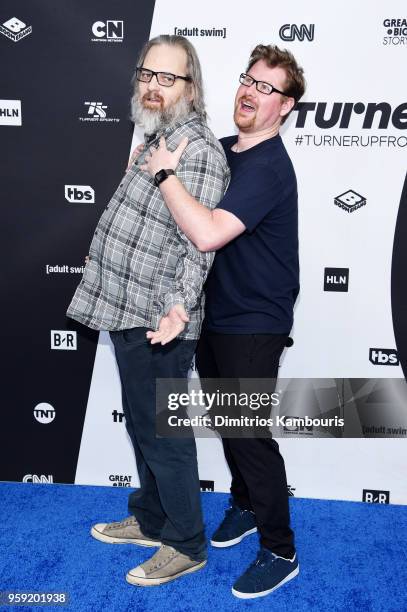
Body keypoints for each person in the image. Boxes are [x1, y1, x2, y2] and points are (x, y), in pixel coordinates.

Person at [140, 43, 306, 598]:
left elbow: (207, 232)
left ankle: (280, 550)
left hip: (254, 321)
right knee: (227, 419)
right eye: (248, 80)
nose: (251, 93)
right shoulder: (227, 150)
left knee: (249, 433)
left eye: (267, 89)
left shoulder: (269, 166)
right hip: (216, 311)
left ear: (285, 107)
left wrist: (165, 174)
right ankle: (244, 504)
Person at [66, 35, 229, 586]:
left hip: (162, 319)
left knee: (165, 436)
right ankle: (153, 518)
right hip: (129, 308)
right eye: (147, 74)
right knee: (143, 425)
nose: (153, 86)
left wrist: (179, 307)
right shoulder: (158, 139)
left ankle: (185, 544)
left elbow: (197, 243)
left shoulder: (198, 149)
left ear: (192, 86)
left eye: (168, 78)